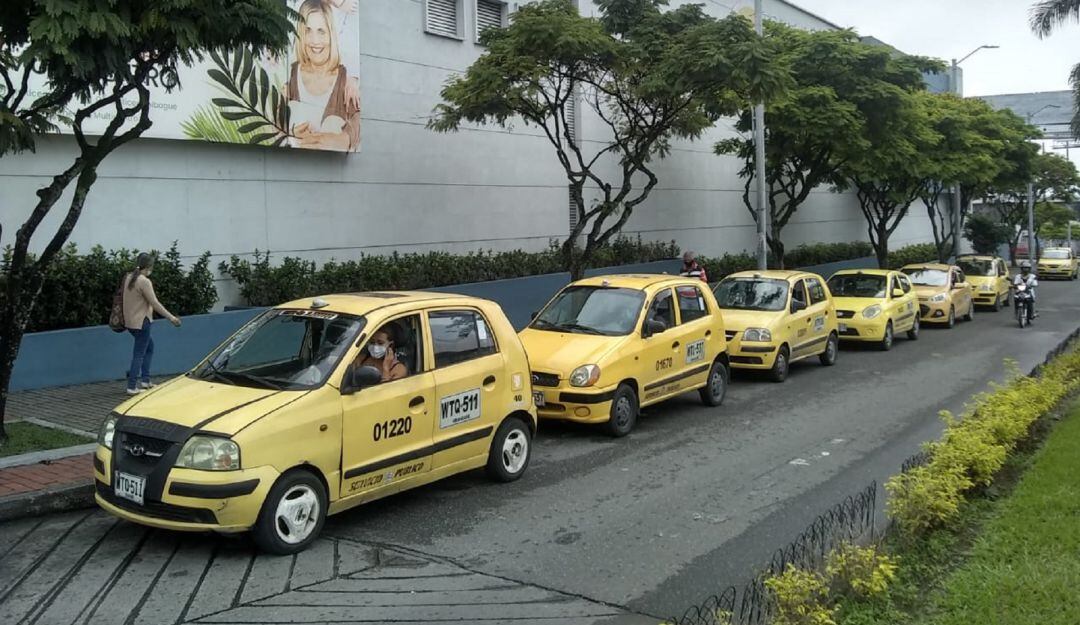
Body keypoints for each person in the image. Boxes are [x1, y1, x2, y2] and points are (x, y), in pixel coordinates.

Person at [286, 0, 361, 152]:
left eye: (321, 31)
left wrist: (345, 139)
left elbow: (359, 117)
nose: (315, 41)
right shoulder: (292, 75)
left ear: (331, 34)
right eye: (308, 31)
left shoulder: (345, 80)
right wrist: (289, 133)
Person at [122, 253, 181, 395]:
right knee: (139, 353)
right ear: (149, 267)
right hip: (142, 322)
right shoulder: (144, 281)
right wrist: (171, 318)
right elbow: (154, 303)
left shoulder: (128, 278)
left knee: (149, 347)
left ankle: (146, 380)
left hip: (130, 322)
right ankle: (132, 386)